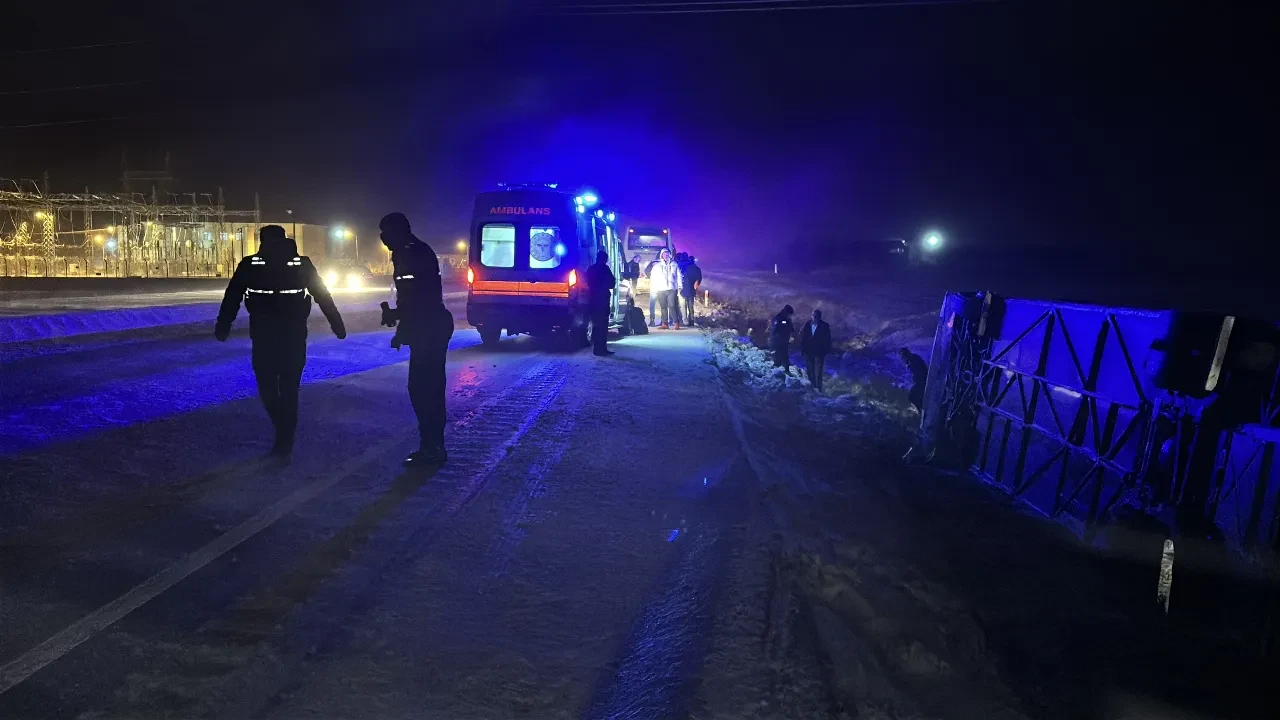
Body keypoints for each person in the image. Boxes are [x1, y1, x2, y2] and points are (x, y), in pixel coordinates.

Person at [214, 225, 346, 458]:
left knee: (273, 388)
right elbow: (323, 295)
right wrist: (336, 323)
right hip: (287, 335)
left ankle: (284, 436)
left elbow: (232, 297)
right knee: (285, 389)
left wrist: (223, 325)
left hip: (273, 335)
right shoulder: (284, 264)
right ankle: (285, 434)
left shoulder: (260, 264)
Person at [379, 212, 455, 467]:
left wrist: (401, 319)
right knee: (420, 390)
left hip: (431, 326)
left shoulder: (416, 252)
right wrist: (399, 323)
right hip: (423, 326)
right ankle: (430, 445)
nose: (383, 239)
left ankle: (433, 448)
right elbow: (408, 298)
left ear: (400, 232)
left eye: (386, 233)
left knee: (428, 391)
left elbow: (422, 298)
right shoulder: (402, 253)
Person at [586, 250, 616, 356]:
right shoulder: (605, 269)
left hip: (592, 299)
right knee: (603, 326)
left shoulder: (591, 269)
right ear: (605, 259)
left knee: (595, 324)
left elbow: (587, 282)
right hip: (603, 300)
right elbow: (612, 283)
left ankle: (596, 348)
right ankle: (601, 349)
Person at [649, 248, 683, 330]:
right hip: (660, 289)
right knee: (663, 307)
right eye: (664, 254)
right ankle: (665, 323)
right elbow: (653, 278)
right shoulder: (657, 266)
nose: (666, 255)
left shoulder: (674, 264)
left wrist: (680, 286)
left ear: (670, 255)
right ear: (661, 255)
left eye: (667, 253)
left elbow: (679, 276)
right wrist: (653, 288)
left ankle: (676, 322)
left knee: (672, 305)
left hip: (672, 289)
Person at [800, 308, 832, 390]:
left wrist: (825, 351)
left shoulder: (825, 325)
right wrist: (803, 350)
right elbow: (803, 338)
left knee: (818, 372)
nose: (814, 317)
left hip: (819, 352)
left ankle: (819, 389)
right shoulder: (807, 324)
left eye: (816, 316)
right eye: (813, 315)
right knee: (810, 371)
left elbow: (827, 339)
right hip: (808, 351)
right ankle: (812, 388)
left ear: (819, 317)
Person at [898, 347, 929, 412]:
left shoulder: (913, 360)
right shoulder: (913, 359)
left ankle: (923, 409)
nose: (903, 359)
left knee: (912, 396)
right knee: (912, 395)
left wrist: (915, 383)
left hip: (924, 381)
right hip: (922, 380)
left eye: (903, 357)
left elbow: (919, 374)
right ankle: (923, 407)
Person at [770, 304, 796, 373]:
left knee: (784, 353)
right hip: (779, 339)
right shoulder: (779, 317)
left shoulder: (786, 318)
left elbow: (791, 328)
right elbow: (777, 327)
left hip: (784, 339)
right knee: (779, 352)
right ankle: (778, 365)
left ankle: (785, 368)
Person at [680, 255, 702, 327]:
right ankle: (691, 321)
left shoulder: (684, 268)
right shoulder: (697, 269)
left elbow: (681, 277)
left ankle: (684, 320)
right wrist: (696, 285)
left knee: (683, 306)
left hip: (684, 290)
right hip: (692, 290)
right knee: (690, 306)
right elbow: (699, 280)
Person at [644, 256, 661, 326]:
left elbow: (646, 271)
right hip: (660, 288)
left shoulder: (652, 265)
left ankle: (652, 320)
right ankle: (663, 321)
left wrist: (649, 276)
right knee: (662, 306)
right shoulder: (662, 265)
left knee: (653, 305)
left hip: (656, 288)